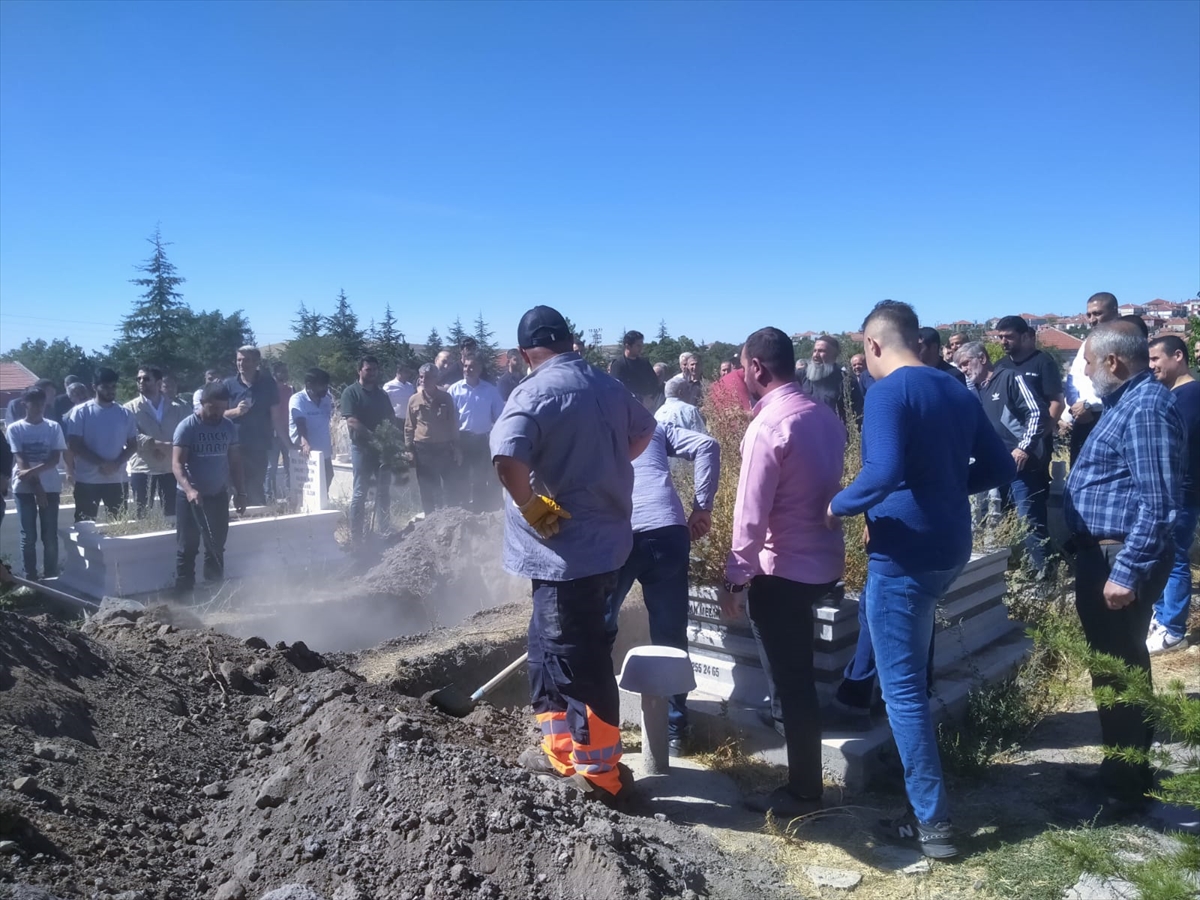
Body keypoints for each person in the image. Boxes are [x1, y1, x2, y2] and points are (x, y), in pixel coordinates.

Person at [828, 301, 1014, 858]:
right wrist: (944, 489)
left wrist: (834, 506)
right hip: (949, 546)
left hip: (904, 556)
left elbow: (881, 472)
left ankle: (931, 826)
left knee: (903, 692)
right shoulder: (956, 387)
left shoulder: (889, 393)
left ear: (874, 344)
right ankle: (923, 803)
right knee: (909, 669)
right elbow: (1002, 466)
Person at [491, 305, 656, 804]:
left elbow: (506, 456)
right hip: (602, 550)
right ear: (568, 340)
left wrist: (531, 504)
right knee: (548, 651)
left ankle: (603, 777)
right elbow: (644, 431)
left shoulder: (535, 390)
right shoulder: (607, 385)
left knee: (577, 661)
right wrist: (604, 465)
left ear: (526, 353)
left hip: (566, 557)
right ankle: (560, 752)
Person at [723, 327, 847, 818]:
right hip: (822, 564)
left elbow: (750, 514)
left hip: (782, 572)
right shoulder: (825, 417)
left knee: (792, 685)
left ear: (756, 368)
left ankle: (802, 791)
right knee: (796, 677)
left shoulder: (768, 426)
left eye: (741, 366)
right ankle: (799, 761)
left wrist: (736, 578)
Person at [1063, 321, 1184, 815]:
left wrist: (1127, 571)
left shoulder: (1147, 408)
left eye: (1090, 363)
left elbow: (1160, 504)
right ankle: (1122, 770)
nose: (1087, 373)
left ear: (1113, 361)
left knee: (1121, 674)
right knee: (1116, 671)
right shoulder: (1128, 404)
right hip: (1104, 555)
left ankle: (1123, 791)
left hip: (1118, 559)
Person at [604, 419, 718, 756]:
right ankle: (675, 732)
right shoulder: (653, 424)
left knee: (598, 633)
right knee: (670, 635)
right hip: (667, 531)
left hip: (617, 534)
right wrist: (703, 506)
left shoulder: (597, 423)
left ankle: (601, 732)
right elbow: (707, 445)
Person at [957, 342, 1052, 576]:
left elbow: (1038, 412)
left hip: (1022, 466)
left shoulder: (1010, 378)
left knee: (1028, 521)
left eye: (966, 363)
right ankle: (1011, 571)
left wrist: (1024, 448)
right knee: (997, 520)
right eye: (960, 367)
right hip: (995, 467)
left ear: (982, 358)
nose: (964, 370)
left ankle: (1045, 576)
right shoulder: (976, 390)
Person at [1146, 335, 1199, 653]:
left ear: (1177, 356)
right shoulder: (1176, 394)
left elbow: (1173, 447)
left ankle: (1173, 630)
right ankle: (1162, 617)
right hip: (1171, 490)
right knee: (1164, 556)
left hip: (1180, 491)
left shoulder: (1189, 396)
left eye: (1156, 359)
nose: (1151, 366)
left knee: (1175, 558)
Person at [173, 382, 246, 597]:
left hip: (217, 496)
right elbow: (177, 464)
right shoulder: (187, 427)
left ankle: (214, 594)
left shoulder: (228, 427)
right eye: (213, 408)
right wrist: (189, 490)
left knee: (215, 547)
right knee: (187, 548)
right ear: (203, 403)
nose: (218, 413)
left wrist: (241, 493)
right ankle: (183, 598)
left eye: (222, 409)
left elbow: (235, 463)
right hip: (190, 499)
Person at [7, 388, 66, 579]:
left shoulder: (53, 427)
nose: (39, 407)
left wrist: (32, 474)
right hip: (24, 489)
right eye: (34, 403)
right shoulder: (15, 428)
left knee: (49, 535)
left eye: (42, 403)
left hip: (50, 486)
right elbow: (20, 460)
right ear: (25, 404)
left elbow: (54, 459)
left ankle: (51, 575)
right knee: (28, 536)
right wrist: (37, 487)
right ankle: (30, 577)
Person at [67, 368, 138, 522]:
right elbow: (75, 444)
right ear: (94, 387)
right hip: (87, 481)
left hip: (117, 480)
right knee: (85, 525)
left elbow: (133, 445)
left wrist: (116, 463)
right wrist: (102, 463)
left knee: (119, 525)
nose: (110, 391)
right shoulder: (81, 412)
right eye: (105, 387)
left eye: (113, 387)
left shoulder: (124, 413)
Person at [341, 356, 398, 540]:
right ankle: (357, 534)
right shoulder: (351, 393)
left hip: (382, 450)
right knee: (360, 492)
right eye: (368, 369)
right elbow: (351, 420)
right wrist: (374, 438)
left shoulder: (382, 395)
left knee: (383, 490)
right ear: (360, 371)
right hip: (362, 449)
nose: (372, 373)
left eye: (375, 369)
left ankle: (385, 528)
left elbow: (390, 416)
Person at [1060, 293, 1118, 463]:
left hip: (1108, 418)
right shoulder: (1087, 343)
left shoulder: (1123, 342)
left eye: (1098, 313)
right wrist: (1076, 408)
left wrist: (1089, 406)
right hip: (1082, 419)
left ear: (1114, 312)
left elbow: (1122, 383)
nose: (1092, 319)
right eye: (1089, 314)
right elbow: (1073, 379)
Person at [124, 365, 188, 519]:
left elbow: (186, 433)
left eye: (146, 379)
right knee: (142, 515)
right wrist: (158, 445)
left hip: (170, 468)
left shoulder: (177, 407)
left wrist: (169, 448)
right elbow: (130, 436)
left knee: (173, 515)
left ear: (159, 383)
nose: (141, 382)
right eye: (138, 379)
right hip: (143, 468)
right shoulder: (128, 408)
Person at [449, 354, 505, 511]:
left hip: (482, 440)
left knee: (480, 477)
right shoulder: (455, 389)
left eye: (472, 366)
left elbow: (500, 417)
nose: (468, 369)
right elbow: (450, 417)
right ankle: (463, 510)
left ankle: (479, 510)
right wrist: (454, 443)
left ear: (479, 369)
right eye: (466, 366)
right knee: (462, 476)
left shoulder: (490, 390)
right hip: (462, 439)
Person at [223, 346, 278, 507]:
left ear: (256, 362)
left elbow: (275, 415)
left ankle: (256, 522)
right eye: (239, 360)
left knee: (256, 486)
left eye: (246, 360)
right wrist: (236, 411)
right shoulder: (228, 384)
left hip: (259, 445)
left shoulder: (268, 383)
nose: (241, 364)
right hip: (233, 444)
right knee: (232, 485)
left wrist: (283, 441)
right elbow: (217, 414)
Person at [405, 363, 461, 514]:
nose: (424, 380)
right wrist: (409, 449)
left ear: (436, 378)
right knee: (427, 485)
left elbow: (453, 423)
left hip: (444, 448)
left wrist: (457, 447)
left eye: (428, 377)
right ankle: (430, 518)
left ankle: (450, 515)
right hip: (423, 448)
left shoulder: (445, 398)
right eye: (421, 377)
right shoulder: (413, 400)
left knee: (450, 484)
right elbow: (409, 426)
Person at [993, 316, 1065, 429]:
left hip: (1036, 437)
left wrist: (1039, 437)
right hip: (1008, 439)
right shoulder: (999, 366)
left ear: (1024, 336)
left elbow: (1057, 403)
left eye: (1009, 337)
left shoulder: (1044, 362)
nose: (1003, 342)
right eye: (1000, 337)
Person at [798, 335, 864, 423]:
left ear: (834, 356)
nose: (816, 355)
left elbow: (856, 415)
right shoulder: (801, 375)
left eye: (821, 351)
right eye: (815, 351)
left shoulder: (846, 381)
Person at [289, 367, 335, 489]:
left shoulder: (327, 399)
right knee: (309, 482)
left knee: (328, 475)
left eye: (326, 385)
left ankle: (322, 503)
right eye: (321, 385)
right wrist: (304, 441)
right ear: (309, 384)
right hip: (306, 449)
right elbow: (300, 421)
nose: (325, 388)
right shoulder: (298, 399)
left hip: (323, 448)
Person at [265, 361, 293, 502]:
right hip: (272, 435)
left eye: (285, 371)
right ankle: (269, 498)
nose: (284, 374)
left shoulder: (290, 390)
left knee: (290, 466)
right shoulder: (269, 391)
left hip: (288, 434)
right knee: (271, 467)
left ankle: (290, 496)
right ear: (274, 373)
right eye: (281, 371)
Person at [608, 330, 660, 401]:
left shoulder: (644, 363)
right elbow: (616, 388)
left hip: (648, 405)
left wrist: (650, 398)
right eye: (638, 345)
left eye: (642, 345)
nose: (641, 348)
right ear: (628, 346)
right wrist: (640, 398)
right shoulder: (618, 364)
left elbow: (654, 382)